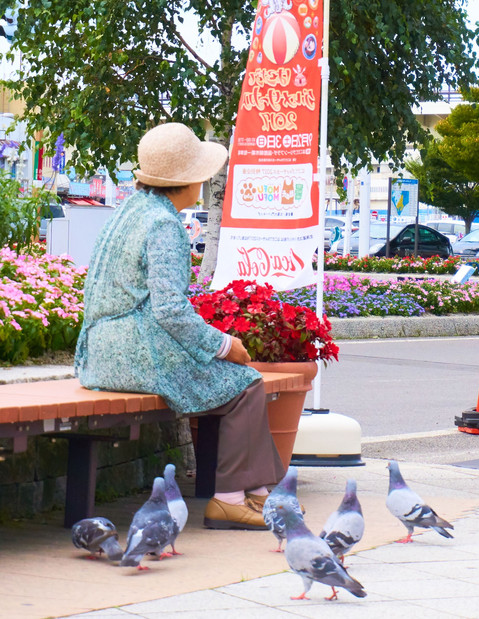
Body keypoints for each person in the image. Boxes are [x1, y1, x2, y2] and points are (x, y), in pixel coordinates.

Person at [74, 123, 285, 530]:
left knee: (241, 382)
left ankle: (260, 494)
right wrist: (224, 345)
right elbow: (170, 309)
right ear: (188, 181)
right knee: (244, 384)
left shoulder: (129, 211)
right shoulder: (165, 224)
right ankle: (227, 500)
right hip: (135, 353)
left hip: (97, 354)